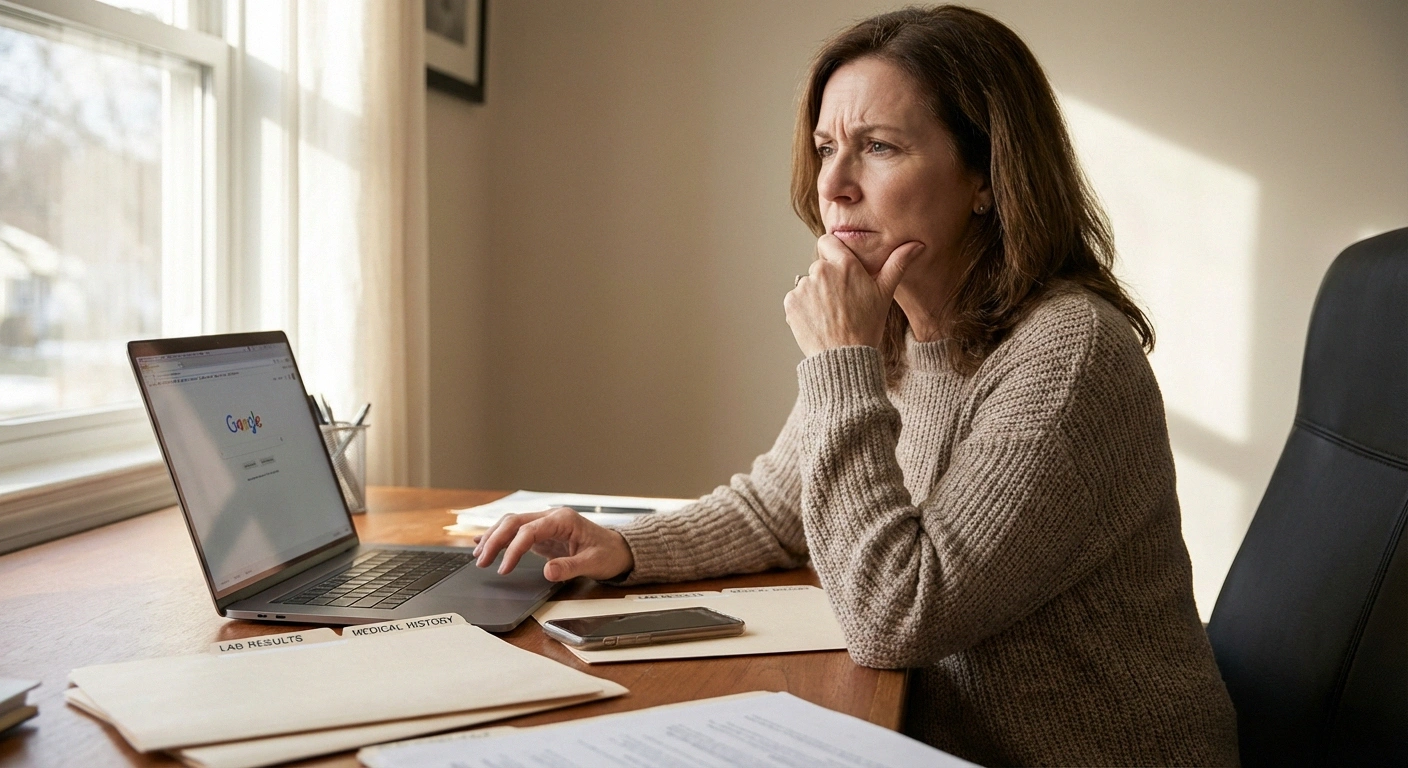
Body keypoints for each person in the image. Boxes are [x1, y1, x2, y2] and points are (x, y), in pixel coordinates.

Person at [473, 5, 1241, 765]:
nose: (833, 185)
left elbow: (895, 617)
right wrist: (622, 548)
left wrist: (842, 361)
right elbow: (778, 508)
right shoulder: (895, 321)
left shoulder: (1068, 356)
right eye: (825, 146)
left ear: (985, 176)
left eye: (878, 147)